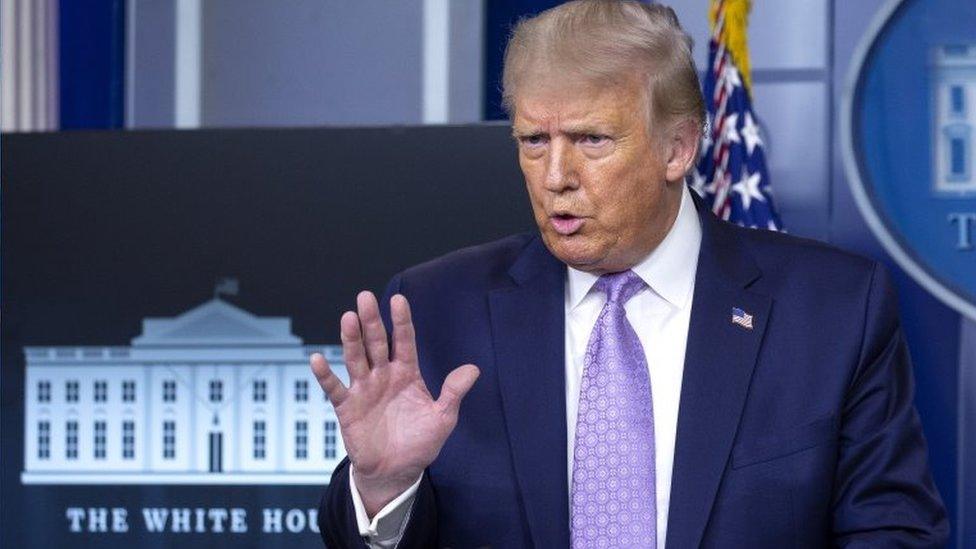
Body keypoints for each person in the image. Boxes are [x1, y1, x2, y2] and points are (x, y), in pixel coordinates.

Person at [310, 1, 949, 547]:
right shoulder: (435, 310)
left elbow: (892, 531)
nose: (555, 175)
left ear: (678, 147)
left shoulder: (833, 310)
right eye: (534, 140)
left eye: (592, 140)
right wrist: (386, 487)